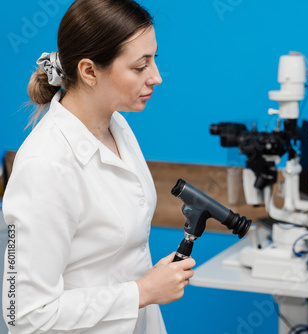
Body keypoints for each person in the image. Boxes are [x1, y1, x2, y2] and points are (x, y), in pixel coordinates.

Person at [2, 0, 196, 333]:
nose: (157, 77)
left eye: (154, 60)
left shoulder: (117, 126)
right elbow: (24, 315)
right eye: (140, 66)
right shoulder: (44, 166)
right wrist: (142, 292)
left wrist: (142, 292)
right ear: (89, 71)